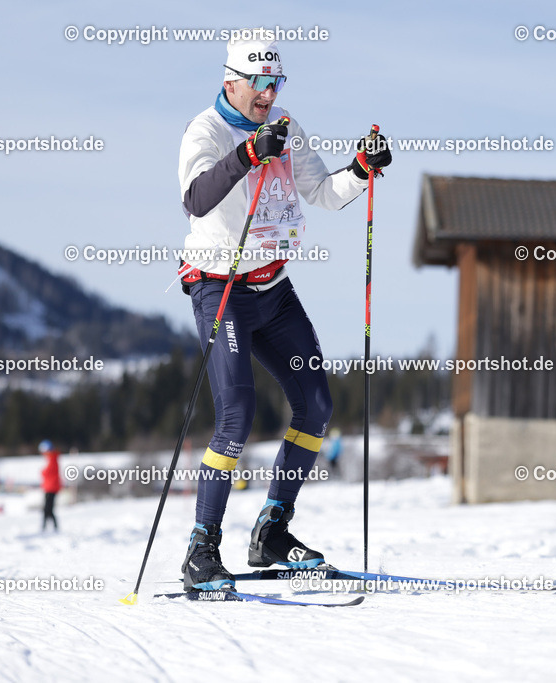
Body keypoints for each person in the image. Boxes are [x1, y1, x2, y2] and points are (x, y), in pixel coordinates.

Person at [176, 35, 392, 591]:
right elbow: (197, 198)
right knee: (236, 416)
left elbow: (321, 191)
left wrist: (361, 169)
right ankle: (202, 548)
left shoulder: (287, 128)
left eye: (278, 84)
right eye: (261, 84)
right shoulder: (206, 131)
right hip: (220, 289)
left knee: (316, 406)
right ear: (232, 83)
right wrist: (249, 154)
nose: (270, 95)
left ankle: (273, 530)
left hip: (272, 287)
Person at [39, 440, 61, 532]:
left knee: (48, 509)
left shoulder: (52, 459)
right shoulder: (51, 458)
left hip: (51, 488)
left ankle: (48, 527)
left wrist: (43, 472)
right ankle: (47, 527)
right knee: (47, 509)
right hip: (49, 487)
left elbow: (48, 472)